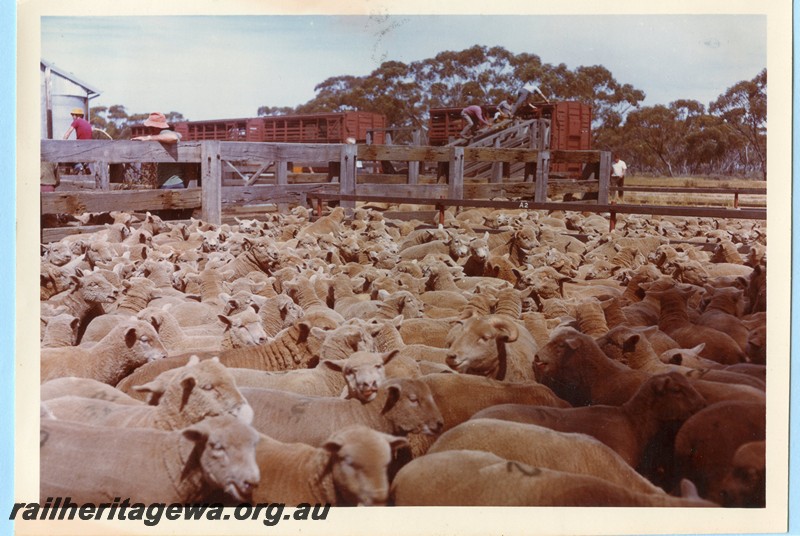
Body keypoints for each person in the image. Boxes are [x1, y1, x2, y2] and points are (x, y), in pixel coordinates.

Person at [131, 112, 186, 189]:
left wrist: (149, 138)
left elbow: (174, 137)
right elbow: (178, 135)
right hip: (173, 183)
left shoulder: (164, 133)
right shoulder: (162, 136)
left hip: (170, 184)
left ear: (154, 127)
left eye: (150, 127)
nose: (149, 130)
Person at [63, 107, 93, 174]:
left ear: (78, 116)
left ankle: (78, 166)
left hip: (81, 146)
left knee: (67, 153)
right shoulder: (88, 123)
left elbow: (67, 134)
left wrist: (61, 144)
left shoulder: (76, 121)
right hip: (89, 147)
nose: (72, 117)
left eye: (73, 115)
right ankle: (85, 165)